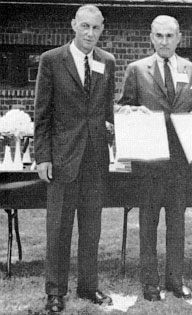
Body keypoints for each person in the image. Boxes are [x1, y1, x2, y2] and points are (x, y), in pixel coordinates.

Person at [115, 15, 192, 301]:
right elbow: (121, 108)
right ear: (151, 38)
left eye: (170, 36)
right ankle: (150, 283)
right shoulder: (137, 69)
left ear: (179, 37)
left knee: (177, 223)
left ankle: (176, 281)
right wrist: (131, 112)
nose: (164, 41)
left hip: (181, 162)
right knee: (148, 223)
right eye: (159, 36)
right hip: (149, 161)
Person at [34, 4, 115, 313]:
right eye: (84, 26)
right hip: (63, 158)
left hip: (95, 158)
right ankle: (55, 291)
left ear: (102, 29)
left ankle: (88, 286)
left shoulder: (107, 61)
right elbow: (42, 114)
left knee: (91, 226)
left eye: (95, 28)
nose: (89, 33)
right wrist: (43, 156)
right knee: (59, 228)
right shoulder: (52, 61)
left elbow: (107, 112)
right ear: (73, 25)